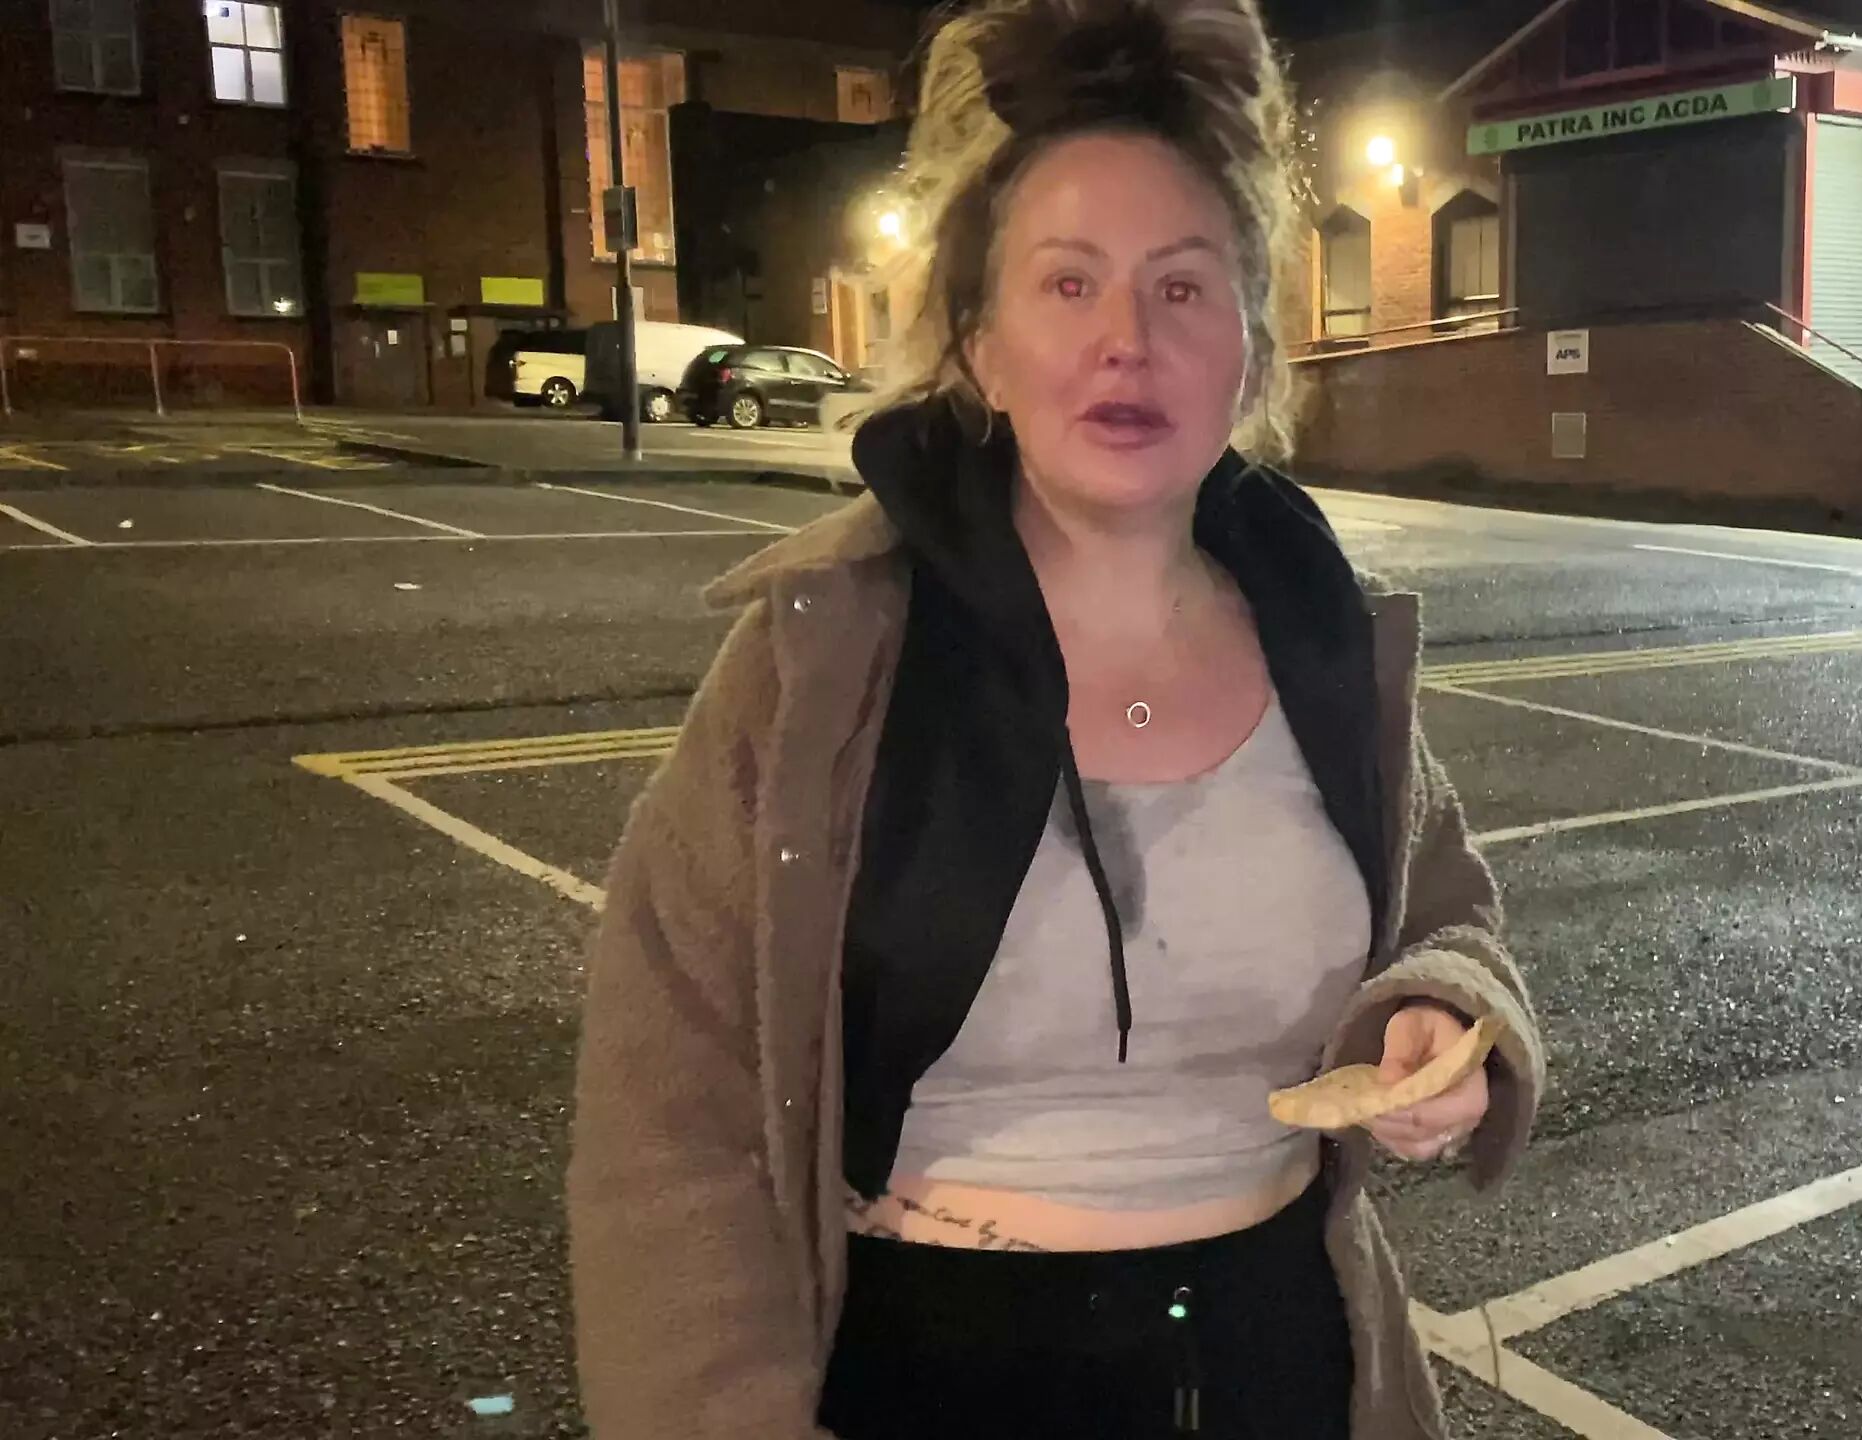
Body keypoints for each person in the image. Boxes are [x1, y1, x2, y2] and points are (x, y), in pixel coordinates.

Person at [565, 1, 1544, 1435]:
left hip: (1278, 1354)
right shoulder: (829, 653)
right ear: (980, 344)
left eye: (1184, 288)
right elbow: (671, 1114)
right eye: (1069, 284)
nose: (1127, 342)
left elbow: (1447, 918)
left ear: (1250, 347)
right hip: (933, 1372)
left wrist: (1437, 1016)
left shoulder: (1328, 635)